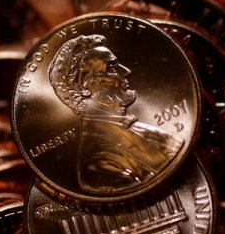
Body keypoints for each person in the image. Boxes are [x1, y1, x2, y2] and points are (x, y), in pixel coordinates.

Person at [49, 34, 183, 194]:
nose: (126, 71)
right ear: (86, 85)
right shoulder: (97, 166)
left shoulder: (140, 128)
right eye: (111, 67)